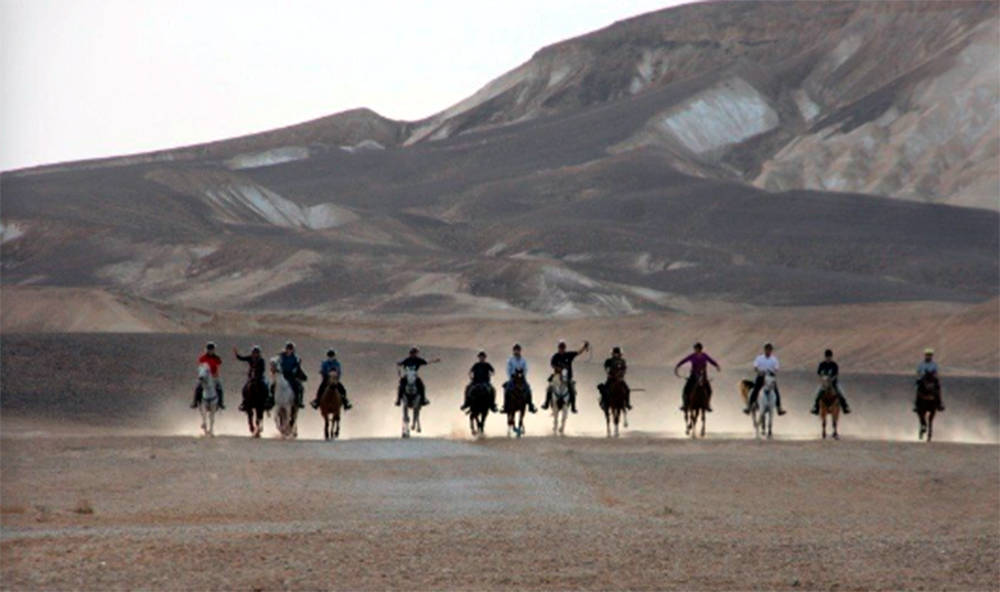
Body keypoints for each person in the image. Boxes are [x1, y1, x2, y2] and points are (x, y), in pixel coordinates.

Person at [544, 340, 590, 413]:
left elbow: (578, 352)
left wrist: (584, 347)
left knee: (573, 390)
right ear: (558, 348)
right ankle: (546, 403)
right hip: (557, 376)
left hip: (567, 377)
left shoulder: (569, 355)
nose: (561, 349)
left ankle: (573, 407)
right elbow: (552, 364)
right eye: (560, 348)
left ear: (565, 348)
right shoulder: (555, 356)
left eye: (563, 348)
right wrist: (557, 368)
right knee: (549, 387)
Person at [674, 342, 721, 412]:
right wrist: (677, 366)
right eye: (695, 349)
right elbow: (684, 360)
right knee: (685, 389)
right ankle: (685, 404)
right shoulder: (692, 356)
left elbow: (711, 361)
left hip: (703, 375)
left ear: (700, 349)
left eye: (697, 349)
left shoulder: (705, 356)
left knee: (709, 390)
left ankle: (707, 404)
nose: (696, 350)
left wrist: (717, 365)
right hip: (693, 375)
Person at [743, 342, 786, 415]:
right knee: (756, 389)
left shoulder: (774, 359)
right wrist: (759, 372)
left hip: (770, 377)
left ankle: (779, 408)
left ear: (771, 350)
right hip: (761, 377)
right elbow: (755, 367)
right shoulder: (759, 358)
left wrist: (773, 372)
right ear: (764, 350)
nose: (768, 351)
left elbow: (776, 368)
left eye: (770, 350)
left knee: (776, 391)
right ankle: (749, 407)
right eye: (767, 349)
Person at [810, 349, 851, 415]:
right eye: (827, 357)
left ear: (831, 357)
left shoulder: (834, 365)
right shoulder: (822, 365)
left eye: (829, 357)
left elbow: (836, 374)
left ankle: (845, 407)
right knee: (817, 394)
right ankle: (816, 408)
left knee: (840, 392)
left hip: (833, 383)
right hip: (824, 384)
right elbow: (819, 374)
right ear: (825, 357)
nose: (828, 358)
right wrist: (822, 380)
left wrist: (832, 380)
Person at [503, 343, 537, 413]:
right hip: (513, 378)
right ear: (513, 351)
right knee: (507, 389)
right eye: (515, 350)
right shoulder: (510, 360)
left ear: (520, 351)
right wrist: (510, 376)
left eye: (518, 350)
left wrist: (523, 375)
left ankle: (530, 405)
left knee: (528, 388)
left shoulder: (523, 360)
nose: (516, 352)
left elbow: (526, 368)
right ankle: (505, 406)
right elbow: (508, 369)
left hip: (521, 378)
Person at [271, 341, 306, 409]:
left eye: (291, 348)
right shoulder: (281, 356)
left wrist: (295, 370)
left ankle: (298, 401)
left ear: (293, 350)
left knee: (299, 387)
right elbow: (274, 361)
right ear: (286, 348)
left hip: (291, 375)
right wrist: (274, 366)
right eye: (288, 348)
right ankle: (271, 400)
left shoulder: (295, 357)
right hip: (282, 374)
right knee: (272, 386)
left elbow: (296, 366)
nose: (289, 350)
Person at [191, 342, 225, 409]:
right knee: (198, 388)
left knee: (220, 388)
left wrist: (215, 374)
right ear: (207, 349)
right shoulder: (202, 358)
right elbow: (200, 366)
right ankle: (195, 402)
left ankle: (221, 403)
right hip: (204, 377)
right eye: (209, 349)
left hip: (214, 377)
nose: (211, 351)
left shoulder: (216, 358)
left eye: (212, 349)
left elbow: (219, 364)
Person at [233, 345, 267, 412]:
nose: (255, 354)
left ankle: (266, 401)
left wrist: (258, 375)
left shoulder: (261, 360)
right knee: (245, 388)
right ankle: (244, 402)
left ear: (259, 353)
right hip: (251, 377)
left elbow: (263, 369)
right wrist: (236, 354)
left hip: (259, 377)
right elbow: (242, 358)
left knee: (265, 386)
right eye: (254, 352)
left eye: (256, 352)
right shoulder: (250, 358)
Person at [598, 346, 631, 412]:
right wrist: (609, 374)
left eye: (617, 353)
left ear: (620, 354)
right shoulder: (609, 361)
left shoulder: (622, 361)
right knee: (605, 389)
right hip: (611, 379)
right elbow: (606, 368)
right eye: (615, 353)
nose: (616, 354)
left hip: (619, 379)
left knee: (627, 389)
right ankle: (604, 402)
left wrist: (621, 374)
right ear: (612, 354)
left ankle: (627, 403)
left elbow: (624, 369)